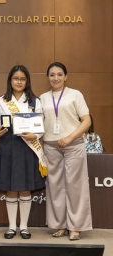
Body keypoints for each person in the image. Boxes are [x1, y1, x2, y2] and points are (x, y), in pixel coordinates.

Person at [0, 65, 46, 239]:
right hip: (7, 146)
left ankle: (24, 227)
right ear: (10, 80)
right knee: (11, 189)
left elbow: (41, 126)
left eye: (22, 79)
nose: (19, 82)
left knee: (25, 189)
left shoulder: (35, 101)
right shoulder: (1, 101)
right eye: (16, 78)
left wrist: (34, 135)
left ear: (27, 81)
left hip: (27, 147)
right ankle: (11, 227)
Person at [40, 62, 92, 241]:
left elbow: (86, 121)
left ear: (66, 76)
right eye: (52, 75)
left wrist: (69, 137)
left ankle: (75, 226)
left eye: (59, 74)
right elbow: (39, 123)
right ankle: (60, 225)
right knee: (55, 186)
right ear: (48, 77)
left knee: (75, 186)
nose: (56, 78)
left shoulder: (75, 94)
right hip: (51, 146)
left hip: (73, 144)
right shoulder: (43, 98)